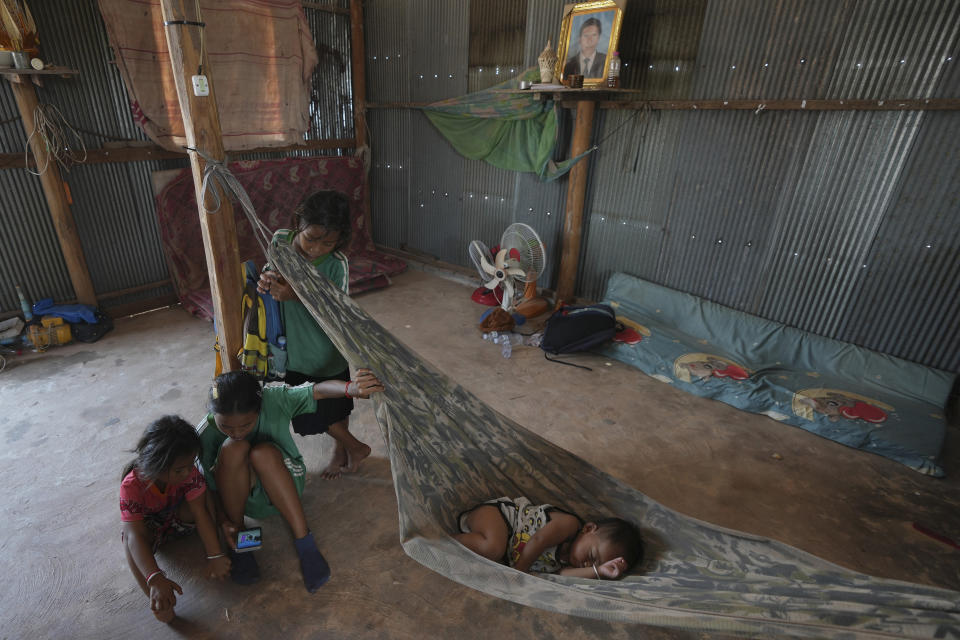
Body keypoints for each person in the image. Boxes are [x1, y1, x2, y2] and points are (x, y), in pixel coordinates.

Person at [199, 368, 384, 592]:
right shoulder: (206, 434)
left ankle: (305, 541)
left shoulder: (273, 399)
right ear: (212, 413)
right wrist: (223, 521)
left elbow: (318, 391)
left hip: (285, 480)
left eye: (246, 425)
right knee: (233, 448)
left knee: (262, 453)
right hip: (240, 499)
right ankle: (240, 539)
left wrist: (350, 389)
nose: (237, 431)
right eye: (226, 426)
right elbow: (208, 489)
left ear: (259, 408)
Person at [257, 190, 370, 480]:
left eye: (328, 242)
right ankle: (350, 446)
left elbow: (339, 311)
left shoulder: (335, 263)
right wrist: (266, 279)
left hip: (323, 350)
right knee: (305, 410)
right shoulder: (281, 240)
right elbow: (272, 269)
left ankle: (346, 448)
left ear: (340, 239)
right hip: (290, 348)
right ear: (298, 223)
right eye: (311, 238)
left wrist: (294, 295)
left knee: (332, 407)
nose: (317, 248)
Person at [120, 416, 230, 623]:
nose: (188, 472)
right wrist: (155, 578)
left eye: (190, 465)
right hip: (151, 531)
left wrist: (215, 554)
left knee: (204, 499)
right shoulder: (131, 486)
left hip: (178, 519)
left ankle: (159, 588)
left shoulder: (188, 472)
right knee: (128, 538)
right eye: (180, 470)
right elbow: (134, 535)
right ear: (156, 465)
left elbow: (201, 513)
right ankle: (156, 595)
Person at [455, 497, 642, 579]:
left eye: (592, 564)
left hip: (502, 545)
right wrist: (520, 570)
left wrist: (599, 571)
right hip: (501, 516)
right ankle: (445, 539)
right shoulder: (569, 525)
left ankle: (465, 541)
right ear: (589, 528)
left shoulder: (564, 564)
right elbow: (538, 540)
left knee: (493, 553)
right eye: (591, 556)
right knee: (493, 549)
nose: (586, 564)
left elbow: (562, 575)